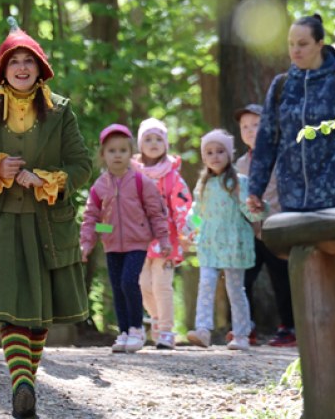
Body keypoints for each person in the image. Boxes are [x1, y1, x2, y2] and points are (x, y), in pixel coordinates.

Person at [0, 17, 92, 419]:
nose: (21, 67)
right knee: (9, 310)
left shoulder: (60, 111)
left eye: (28, 60)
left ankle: (25, 384)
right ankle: (22, 384)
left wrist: (46, 179)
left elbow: (82, 166)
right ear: (2, 70)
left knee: (40, 313)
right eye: (13, 61)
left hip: (47, 226)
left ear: (39, 67)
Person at [248, 14, 335, 214]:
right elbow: (265, 142)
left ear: (319, 44)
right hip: (291, 201)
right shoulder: (281, 85)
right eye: (291, 44)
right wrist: (255, 190)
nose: (295, 50)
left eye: (302, 44)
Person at [81, 124, 172, 353]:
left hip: (137, 243)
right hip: (112, 245)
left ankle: (136, 329)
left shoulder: (142, 182)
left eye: (123, 150)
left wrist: (163, 239)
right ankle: (123, 333)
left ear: (131, 153)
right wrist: (88, 241)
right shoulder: (99, 187)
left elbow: (156, 213)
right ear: (103, 155)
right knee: (117, 288)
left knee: (129, 282)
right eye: (112, 151)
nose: (118, 155)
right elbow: (92, 217)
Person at [184, 129, 269, 351]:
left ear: (229, 154)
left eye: (220, 151)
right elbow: (198, 212)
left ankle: (241, 334)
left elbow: (250, 213)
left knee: (235, 289)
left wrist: (259, 209)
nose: (215, 156)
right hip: (209, 243)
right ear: (204, 157)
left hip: (234, 244)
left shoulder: (239, 182)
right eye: (209, 152)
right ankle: (203, 330)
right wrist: (188, 228)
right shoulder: (203, 184)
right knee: (206, 284)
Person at [232, 105, 295, 347]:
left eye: (256, 125)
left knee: (283, 280)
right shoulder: (240, 164)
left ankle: (289, 327)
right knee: (242, 279)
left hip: (278, 229)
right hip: (250, 232)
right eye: (244, 126)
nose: (250, 130)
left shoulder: (282, 156)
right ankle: (245, 326)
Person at [131, 118, 193, 349]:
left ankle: (166, 330)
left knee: (162, 285)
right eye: (148, 139)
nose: (153, 143)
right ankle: (156, 318)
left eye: (158, 139)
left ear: (166, 144)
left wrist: (187, 230)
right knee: (142, 284)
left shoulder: (172, 176)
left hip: (166, 240)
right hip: (138, 240)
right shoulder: (132, 174)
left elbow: (184, 205)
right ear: (140, 144)